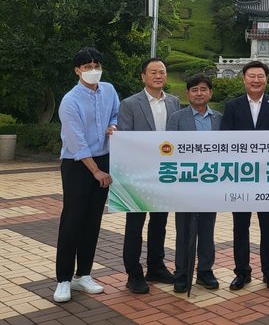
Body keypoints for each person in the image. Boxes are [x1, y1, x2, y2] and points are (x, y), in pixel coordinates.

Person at [53, 47, 119, 303]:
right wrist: (96, 171)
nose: (93, 70)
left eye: (96, 65)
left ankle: (84, 275)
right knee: (72, 221)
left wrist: (113, 125)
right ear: (77, 70)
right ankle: (63, 280)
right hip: (78, 165)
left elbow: (116, 113)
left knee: (92, 220)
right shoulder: (70, 100)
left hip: (103, 158)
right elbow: (76, 141)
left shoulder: (109, 90)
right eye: (87, 66)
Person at [220, 60, 269, 291]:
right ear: (244, 79)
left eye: (260, 76)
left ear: (266, 79)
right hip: (241, 178)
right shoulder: (232, 106)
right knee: (240, 226)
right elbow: (226, 140)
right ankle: (242, 272)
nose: (256, 80)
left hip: (268, 178)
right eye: (251, 76)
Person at [118, 58, 180, 293]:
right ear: (143, 76)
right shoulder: (130, 104)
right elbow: (125, 139)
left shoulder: (174, 102)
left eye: (162, 72)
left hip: (164, 174)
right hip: (138, 174)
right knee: (135, 224)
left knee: (160, 223)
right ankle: (134, 273)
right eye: (153, 72)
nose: (158, 76)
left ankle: (156, 266)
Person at [167, 74, 222, 293]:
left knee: (207, 230)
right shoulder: (177, 118)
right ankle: (182, 273)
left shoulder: (219, 118)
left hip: (211, 183)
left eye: (203, 89)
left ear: (210, 93)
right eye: (194, 90)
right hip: (185, 183)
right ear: (187, 94)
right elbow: (169, 149)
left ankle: (205, 272)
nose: (199, 93)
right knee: (184, 230)